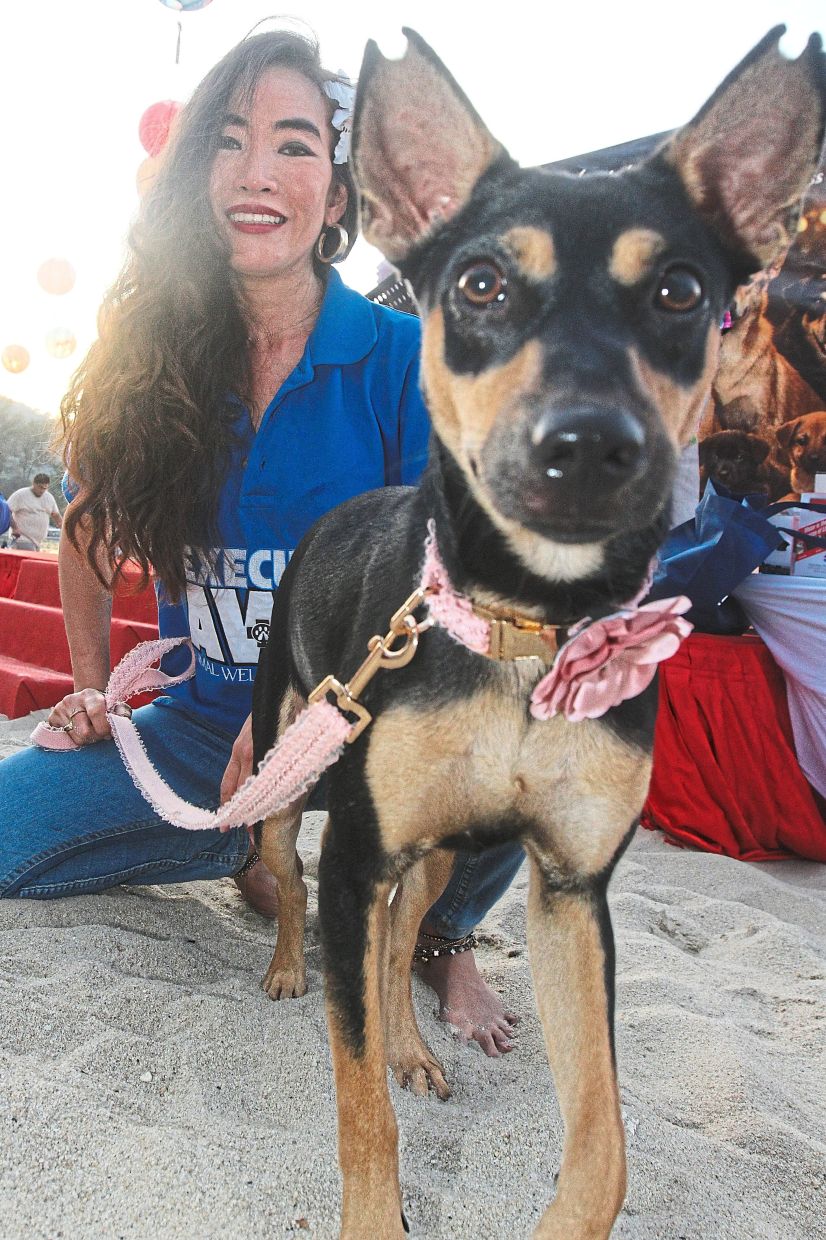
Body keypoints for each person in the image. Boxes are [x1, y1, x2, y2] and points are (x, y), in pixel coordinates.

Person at [0, 29, 521, 1056]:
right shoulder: (150, 360)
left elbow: (454, 579)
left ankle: (444, 934)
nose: (255, 172)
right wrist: (99, 689)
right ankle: (240, 845)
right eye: (229, 141)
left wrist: (311, 700)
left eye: (292, 145)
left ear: (335, 197)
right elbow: (84, 537)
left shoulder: (405, 358)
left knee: (528, 710)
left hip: (379, 720)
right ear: (197, 178)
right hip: (206, 730)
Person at [7, 473, 62, 550]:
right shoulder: (20, 495)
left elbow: (55, 515)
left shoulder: (49, 497)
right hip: (22, 539)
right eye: (40, 487)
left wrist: (63, 527)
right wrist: (14, 528)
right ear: (34, 484)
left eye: (45, 488)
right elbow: (7, 512)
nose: (42, 490)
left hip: (38, 542)